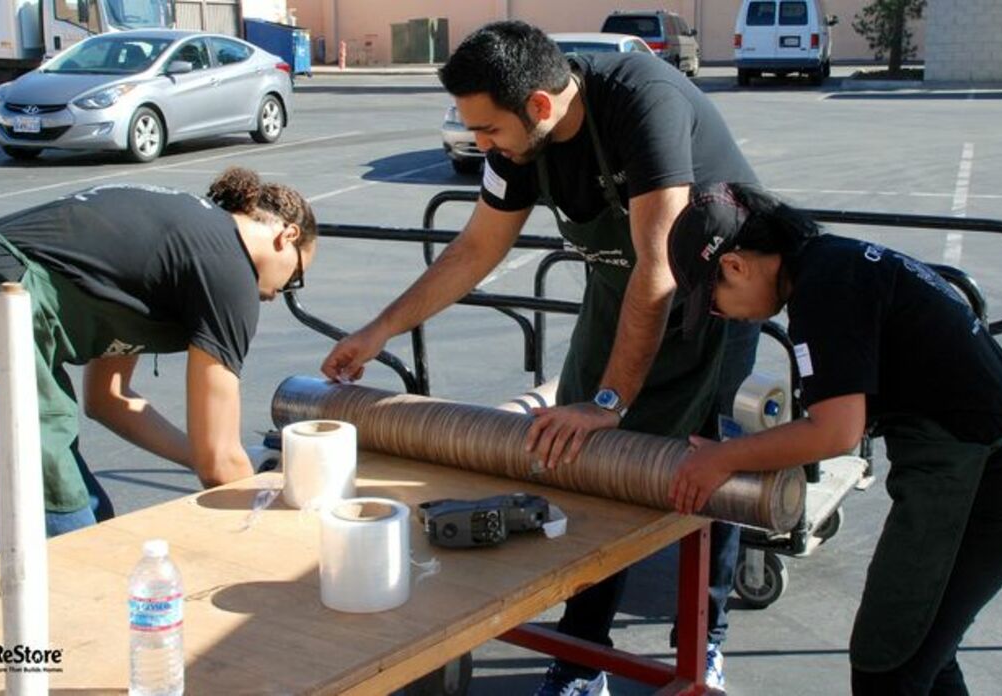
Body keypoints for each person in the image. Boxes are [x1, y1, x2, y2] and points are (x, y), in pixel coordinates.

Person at [320, 21, 755, 694]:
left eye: (489, 130)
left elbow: (661, 264)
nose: (481, 144)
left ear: (541, 107)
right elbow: (474, 250)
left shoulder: (644, 103)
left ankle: (705, 642)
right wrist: (379, 331)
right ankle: (582, 657)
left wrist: (609, 402)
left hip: (714, 295)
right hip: (622, 292)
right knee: (577, 462)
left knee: (707, 466)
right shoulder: (518, 146)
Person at [666, 182, 1002, 695]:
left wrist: (724, 458)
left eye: (713, 305)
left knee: (887, 665)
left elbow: (836, 430)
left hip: (984, 488)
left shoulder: (823, 287)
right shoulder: (830, 262)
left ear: (734, 266)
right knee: (924, 655)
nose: (720, 318)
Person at [0, 168, 318, 559]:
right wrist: (268, 529)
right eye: (295, 276)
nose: (279, 293)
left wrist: (207, 457)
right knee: (70, 557)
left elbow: (108, 398)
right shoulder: (230, 266)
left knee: (92, 528)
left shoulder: (183, 236)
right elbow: (219, 461)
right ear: (287, 235)